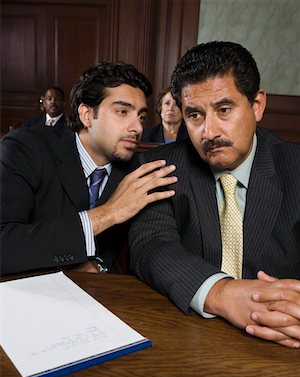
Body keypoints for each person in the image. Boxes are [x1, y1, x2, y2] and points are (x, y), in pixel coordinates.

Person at [129, 41, 300, 348]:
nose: (209, 132)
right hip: (188, 340)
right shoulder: (161, 166)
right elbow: (150, 246)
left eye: (224, 110)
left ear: (257, 105)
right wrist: (221, 293)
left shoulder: (295, 167)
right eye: (194, 115)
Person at [0, 62, 177, 276]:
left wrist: (100, 264)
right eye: (122, 111)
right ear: (86, 115)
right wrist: (109, 213)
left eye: (140, 116)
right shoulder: (25, 148)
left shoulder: (136, 169)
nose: (138, 128)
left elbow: (125, 245)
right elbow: (4, 244)